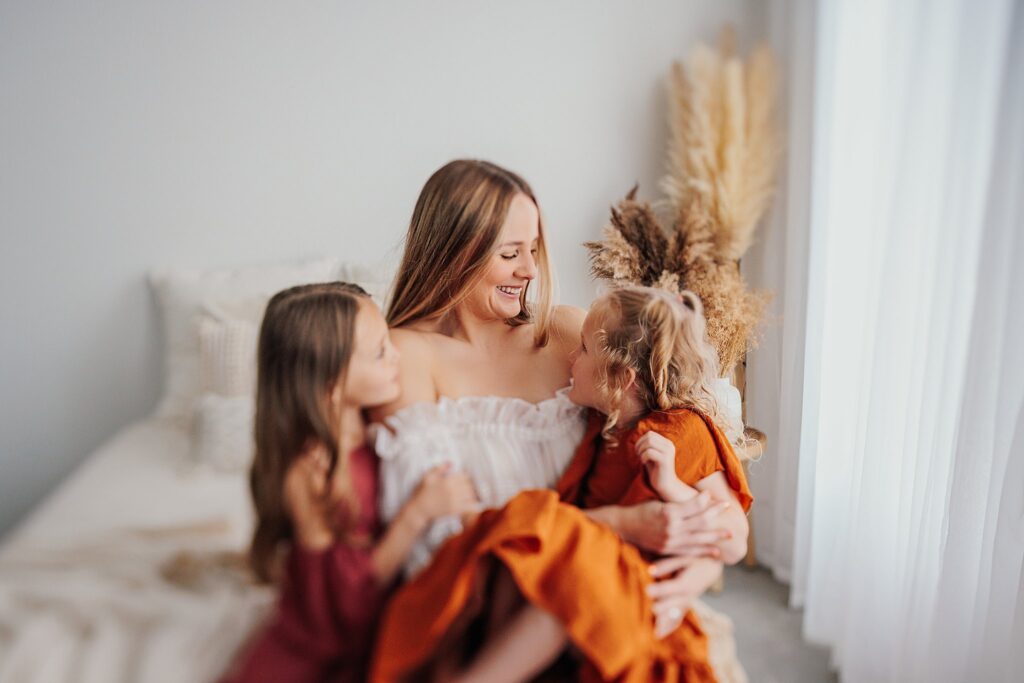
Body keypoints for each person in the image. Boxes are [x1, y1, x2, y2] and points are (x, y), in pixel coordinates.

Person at [220, 282, 479, 683]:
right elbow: (346, 599)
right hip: (329, 630)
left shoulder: (373, 415)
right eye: (380, 353)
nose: (398, 356)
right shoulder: (309, 472)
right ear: (331, 385)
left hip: (383, 598)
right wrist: (419, 513)